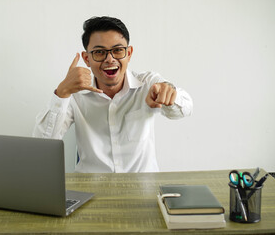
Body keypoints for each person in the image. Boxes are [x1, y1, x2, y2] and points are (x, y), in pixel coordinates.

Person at [33, 16, 193, 173]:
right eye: (99, 52)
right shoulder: (76, 94)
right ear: (86, 59)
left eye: (117, 50)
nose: (110, 59)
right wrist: (62, 92)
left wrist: (169, 96)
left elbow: (186, 108)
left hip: (143, 189)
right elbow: (42, 147)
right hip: (90, 189)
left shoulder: (147, 83)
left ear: (129, 53)